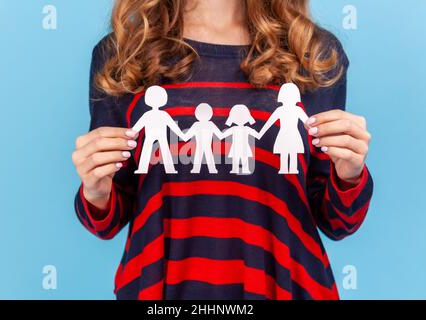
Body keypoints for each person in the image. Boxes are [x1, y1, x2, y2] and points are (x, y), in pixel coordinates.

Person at [72, 0, 373, 300]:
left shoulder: (314, 53)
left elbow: (337, 222)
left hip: (285, 287)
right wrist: (96, 193)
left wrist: (349, 175)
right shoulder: (124, 53)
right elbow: (107, 219)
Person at [132, 85, 187, 174]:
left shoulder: (151, 114)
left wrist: (131, 133)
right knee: (160, 150)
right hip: (154, 135)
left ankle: (167, 168)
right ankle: (168, 168)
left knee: (152, 150)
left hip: (154, 135)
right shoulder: (159, 114)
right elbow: (173, 126)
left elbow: (172, 125)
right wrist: (182, 135)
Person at [259, 83, 309, 174]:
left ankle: (292, 169)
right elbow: (269, 123)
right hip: (285, 134)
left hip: (292, 134)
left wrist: (319, 133)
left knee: (293, 152)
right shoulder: (281, 110)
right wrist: (260, 133)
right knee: (284, 152)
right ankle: (284, 168)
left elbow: (309, 123)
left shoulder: (297, 110)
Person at [185, 103, 223, 174]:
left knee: (202, 156)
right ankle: (211, 170)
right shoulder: (209, 124)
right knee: (206, 156)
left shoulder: (197, 124)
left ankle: (198, 169)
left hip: (202, 145)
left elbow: (187, 136)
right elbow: (220, 135)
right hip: (204, 145)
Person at [223, 104, 260, 174]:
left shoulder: (237, 129)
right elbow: (258, 135)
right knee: (236, 159)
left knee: (243, 159)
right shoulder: (242, 129)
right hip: (238, 147)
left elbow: (221, 136)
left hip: (242, 147)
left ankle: (242, 169)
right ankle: (236, 169)